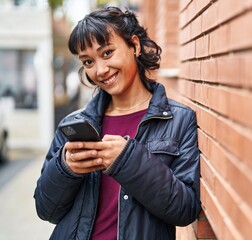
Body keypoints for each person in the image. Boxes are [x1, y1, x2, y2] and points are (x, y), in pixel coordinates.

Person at [34, 6, 201, 240]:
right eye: (88, 62)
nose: (100, 70)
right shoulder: (73, 123)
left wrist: (129, 161)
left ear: (134, 45)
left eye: (107, 53)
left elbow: (185, 210)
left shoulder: (179, 119)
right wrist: (65, 168)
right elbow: (45, 209)